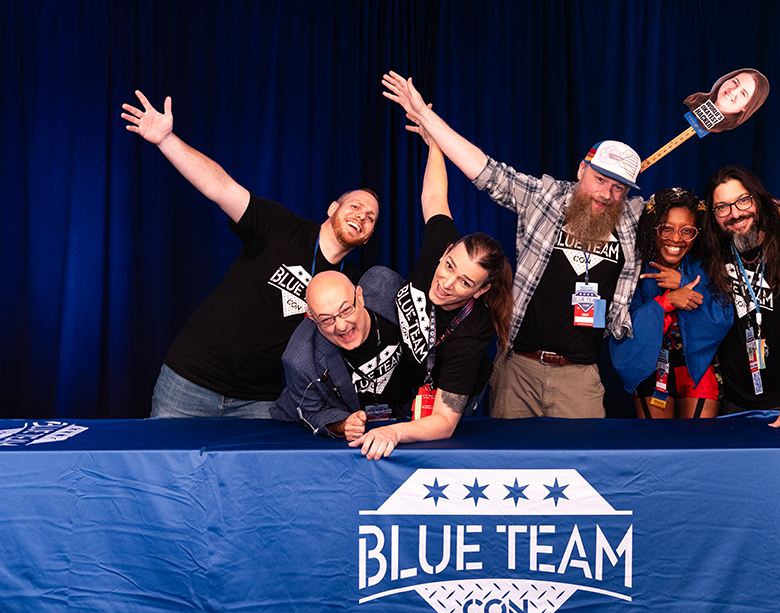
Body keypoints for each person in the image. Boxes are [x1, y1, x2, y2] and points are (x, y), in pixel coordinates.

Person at [382, 71, 645, 419]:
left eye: (619, 189)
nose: (607, 195)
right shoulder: (544, 197)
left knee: (584, 469)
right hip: (518, 369)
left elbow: (687, 219)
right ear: (582, 169)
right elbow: (486, 171)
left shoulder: (634, 219)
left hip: (581, 377)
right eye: (600, 180)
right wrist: (428, 119)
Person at [121, 91, 378, 418]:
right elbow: (221, 187)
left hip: (259, 400)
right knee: (164, 469)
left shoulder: (347, 282)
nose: (362, 216)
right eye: (355, 206)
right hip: (190, 380)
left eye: (371, 218)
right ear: (333, 208)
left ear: (369, 236)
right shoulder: (282, 226)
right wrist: (167, 140)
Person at [348, 132, 513, 459]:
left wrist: (394, 431)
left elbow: (444, 422)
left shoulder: (472, 334)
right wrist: (434, 141)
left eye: (465, 283)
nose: (447, 283)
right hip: (409, 373)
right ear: (445, 252)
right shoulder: (441, 245)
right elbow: (435, 197)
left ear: (480, 291)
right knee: (381, 279)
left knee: (433, 451)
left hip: (443, 396)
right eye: (449, 265)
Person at [699, 165, 780, 432]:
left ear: (758, 199)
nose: (735, 214)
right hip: (734, 400)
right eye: (722, 207)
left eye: (743, 200)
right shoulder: (716, 246)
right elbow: (669, 207)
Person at [610, 188, 733, 418]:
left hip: (698, 367)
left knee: (699, 449)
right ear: (652, 229)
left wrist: (683, 282)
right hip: (651, 368)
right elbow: (622, 325)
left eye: (687, 230)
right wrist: (665, 301)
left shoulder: (707, 263)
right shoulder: (635, 266)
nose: (676, 238)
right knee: (657, 449)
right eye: (666, 228)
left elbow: (723, 317)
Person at [270, 268, 412, 439]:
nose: (342, 326)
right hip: (322, 433)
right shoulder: (299, 359)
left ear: (359, 296)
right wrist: (342, 424)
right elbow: (313, 413)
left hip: (401, 417)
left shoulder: (386, 286)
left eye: (345, 310)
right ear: (313, 319)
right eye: (326, 320)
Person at [684, 68, 770, 133]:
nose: (733, 91)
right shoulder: (692, 100)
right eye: (735, 82)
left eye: (743, 93)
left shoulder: (729, 136)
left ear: (746, 107)